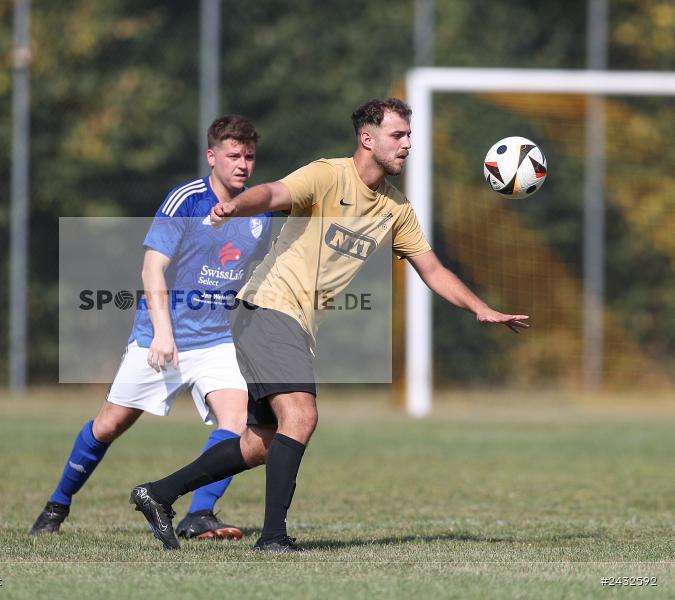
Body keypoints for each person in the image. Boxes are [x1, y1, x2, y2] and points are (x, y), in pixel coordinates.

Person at [129, 98, 529, 552]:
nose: (407, 145)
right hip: (266, 307)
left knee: (261, 442)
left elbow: (432, 270)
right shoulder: (326, 175)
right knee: (301, 414)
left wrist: (479, 307)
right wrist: (237, 205)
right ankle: (274, 539)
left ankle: (158, 494)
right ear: (367, 138)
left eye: (408, 136)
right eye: (398, 136)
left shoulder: (395, 209)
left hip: (295, 322)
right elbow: (274, 194)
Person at [31, 116, 271, 542]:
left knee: (238, 423)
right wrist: (163, 332)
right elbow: (152, 267)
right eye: (233, 156)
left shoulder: (258, 211)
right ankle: (56, 505)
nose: (242, 164)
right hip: (161, 337)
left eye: (249, 156)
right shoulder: (186, 200)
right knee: (109, 425)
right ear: (211, 156)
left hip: (215, 339)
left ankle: (199, 515)